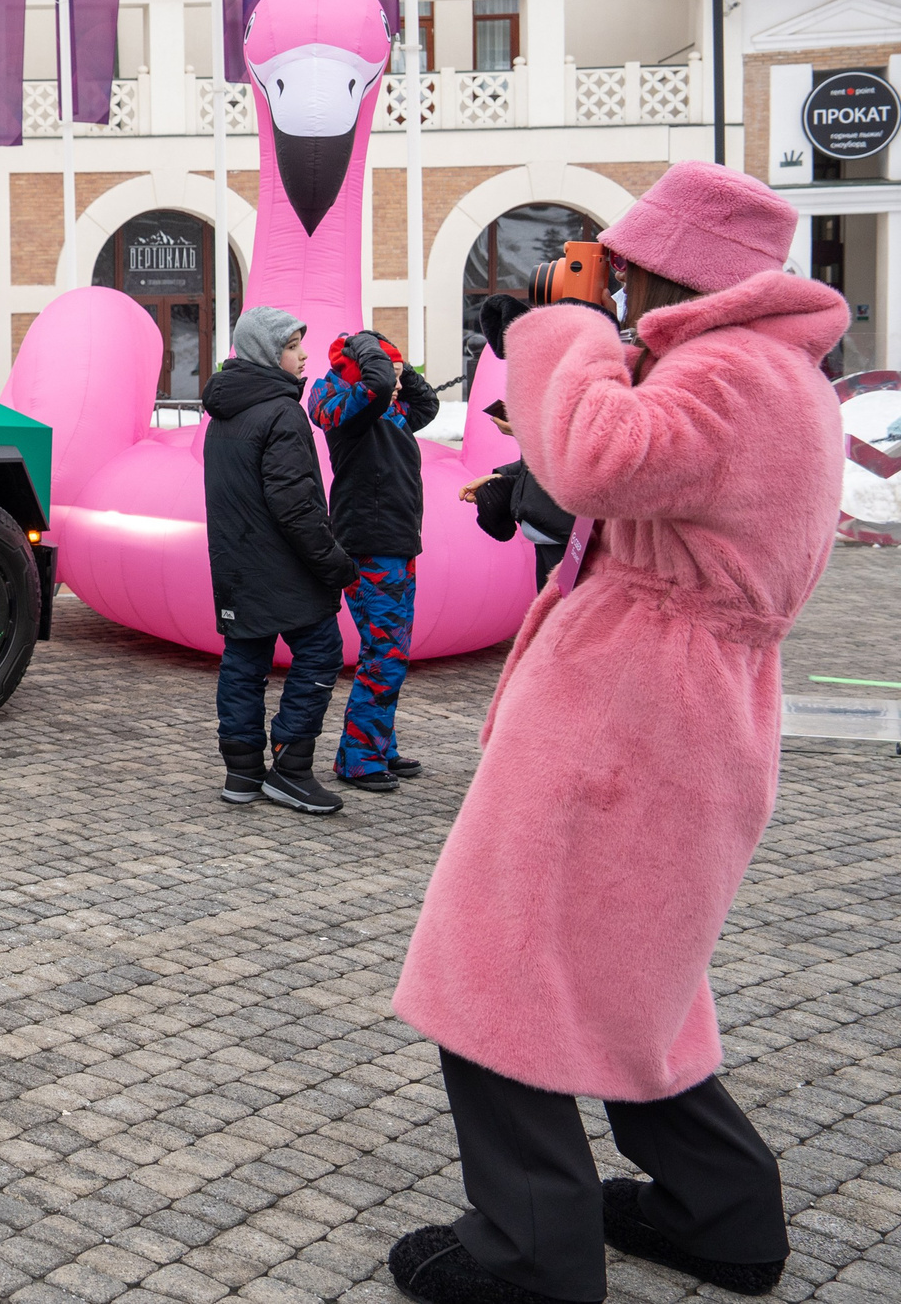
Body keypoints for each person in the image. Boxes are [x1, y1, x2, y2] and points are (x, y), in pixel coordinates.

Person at [386, 161, 846, 1304]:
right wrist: (582, 352)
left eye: (624, 269)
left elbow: (592, 455)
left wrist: (566, 328)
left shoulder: (730, 371)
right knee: (632, 973)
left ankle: (531, 1253)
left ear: (665, 267)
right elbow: (627, 480)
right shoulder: (776, 376)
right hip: (688, 710)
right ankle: (720, 1214)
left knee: (498, 965)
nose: (613, 285)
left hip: (631, 711)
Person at [202, 307, 361, 816]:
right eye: (293, 346)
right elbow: (297, 508)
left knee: (244, 661)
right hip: (281, 568)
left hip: (236, 566)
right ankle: (291, 770)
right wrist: (336, 565)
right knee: (321, 651)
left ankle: (242, 771)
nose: (304, 354)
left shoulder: (224, 412)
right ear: (269, 354)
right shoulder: (281, 412)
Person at [307, 327, 440, 792]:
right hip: (371, 542)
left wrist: (397, 361)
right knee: (384, 653)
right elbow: (380, 386)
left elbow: (426, 406)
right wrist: (366, 344)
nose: (399, 385)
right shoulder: (346, 407)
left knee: (391, 652)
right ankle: (358, 757)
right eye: (392, 375)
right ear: (365, 372)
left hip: (397, 542)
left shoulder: (388, 409)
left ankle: (379, 743)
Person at [460, 400, 575, 593]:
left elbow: (582, 454)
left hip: (572, 538)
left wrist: (526, 433)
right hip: (551, 534)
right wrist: (503, 477)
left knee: (566, 614)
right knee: (552, 614)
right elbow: (541, 458)